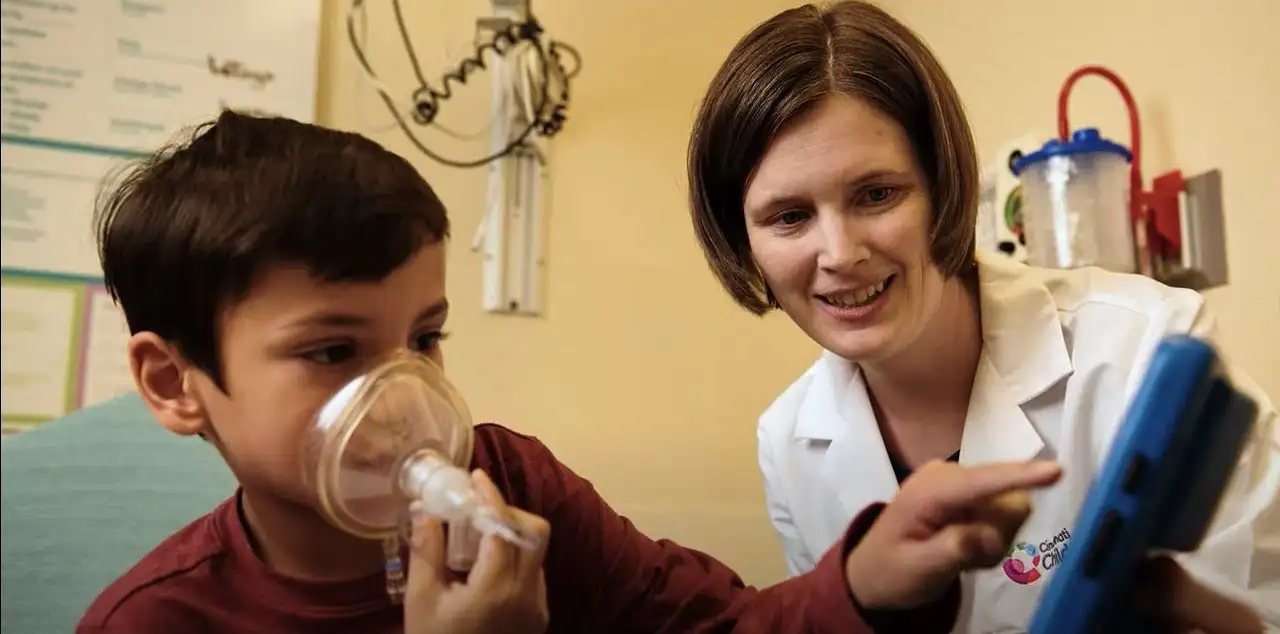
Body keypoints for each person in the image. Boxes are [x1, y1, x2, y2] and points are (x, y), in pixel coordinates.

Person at [76, 110, 1067, 634]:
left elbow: (724, 625)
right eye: (334, 352)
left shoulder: (512, 488)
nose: (406, 402)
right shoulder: (153, 621)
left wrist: (862, 579)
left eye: (424, 339)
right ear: (174, 383)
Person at [686, 2, 1278, 633]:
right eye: (789, 217)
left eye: (877, 194)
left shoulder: (1143, 345)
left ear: (941, 186)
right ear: (743, 241)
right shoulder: (786, 442)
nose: (840, 253)